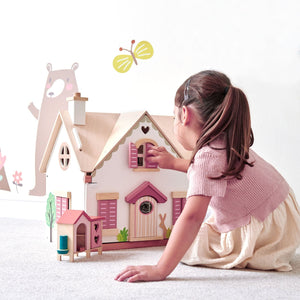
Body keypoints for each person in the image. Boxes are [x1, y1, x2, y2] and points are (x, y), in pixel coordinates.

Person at [115, 70, 300, 283]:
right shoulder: (227, 140)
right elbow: (211, 171)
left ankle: (256, 252)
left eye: (173, 116)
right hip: (281, 218)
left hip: (267, 233)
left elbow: (192, 217)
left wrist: (160, 269)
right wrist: (174, 163)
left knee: (189, 248)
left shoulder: (207, 157)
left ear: (185, 115)